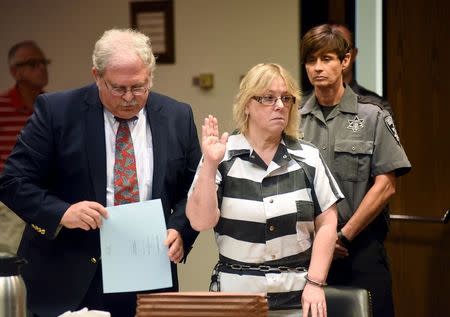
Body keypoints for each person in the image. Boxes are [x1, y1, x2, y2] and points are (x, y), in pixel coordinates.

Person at [0, 29, 201, 317]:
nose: (130, 98)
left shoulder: (177, 116)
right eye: (118, 88)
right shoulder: (58, 111)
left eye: (139, 87)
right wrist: (61, 212)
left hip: (147, 273)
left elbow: (192, 189)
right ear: (97, 76)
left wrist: (181, 229)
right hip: (69, 272)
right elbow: (12, 181)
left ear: (150, 77)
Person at [186, 63, 344, 317]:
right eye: (268, 98)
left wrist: (315, 282)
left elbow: (327, 222)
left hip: (298, 298)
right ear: (247, 104)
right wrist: (209, 165)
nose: (280, 105)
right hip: (236, 299)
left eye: (286, 98)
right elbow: (200, 221)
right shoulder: (222, 155)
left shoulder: (308, 157)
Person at [299, 24, 411, 317]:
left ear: (345, 61)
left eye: (326, 59)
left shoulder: (372, 114)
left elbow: (386, 185)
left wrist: (342, 236)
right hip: (306, 252)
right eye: (311, 61)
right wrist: (320, 241)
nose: (318, 68)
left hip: (359, 248)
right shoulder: (294, 121)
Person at [0, 41, 50, 253]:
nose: (41, 68)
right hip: (9, 202)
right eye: (32, 64)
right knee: (11, 260)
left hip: (45, 197)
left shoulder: (52, 106)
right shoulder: (2, 107)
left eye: (43, 63)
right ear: (15, 72)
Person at [330, 23, 394, 116]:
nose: (335, 56)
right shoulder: (302, 105)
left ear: (353, 54)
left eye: (342, 47)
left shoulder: (377, 107)